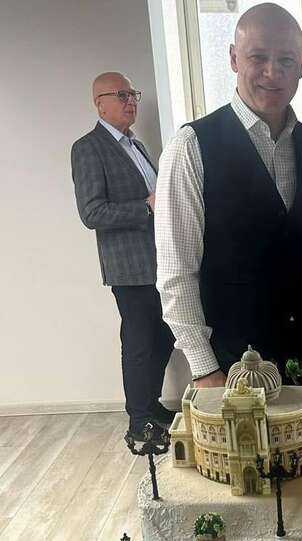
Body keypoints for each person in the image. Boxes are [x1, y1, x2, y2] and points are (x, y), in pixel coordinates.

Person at [155, 4, 302, 388]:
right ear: (234, 58)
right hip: (233, 368)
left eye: (286, 60)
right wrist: (204, 369)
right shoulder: (191, 146)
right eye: (258, 57)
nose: (272, 72)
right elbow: (176, 271)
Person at [71, 72, 175, 442]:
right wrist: (145, 206)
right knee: (139, 342)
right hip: (129, 267)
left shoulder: (137, 145)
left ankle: (151, 403)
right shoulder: (89, 148)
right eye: (121, 94)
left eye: (133, 94)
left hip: (159, 261)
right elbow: (92, 212)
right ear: (99, 104)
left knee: (164, 335)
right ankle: (139, 422)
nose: (131, 101)